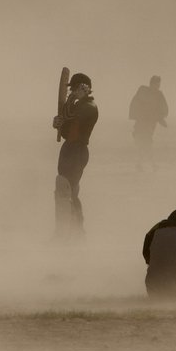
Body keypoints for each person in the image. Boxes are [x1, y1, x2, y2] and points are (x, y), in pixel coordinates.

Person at [52, 72, 99, 241]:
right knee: (65, 190)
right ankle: (72, 231)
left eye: (74, 88)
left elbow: (70, 116)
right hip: (69, 149)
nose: (71, 91)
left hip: (78, 151)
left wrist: (68, 106)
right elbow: (67, 129)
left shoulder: (89, 107)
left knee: (68, 191)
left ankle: (73, 231)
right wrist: (58, 124)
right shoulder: (79, 105)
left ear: (84, 88)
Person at [128, 75, 168, 169]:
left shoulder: (158, 94)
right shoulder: (143, 91)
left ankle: (144, 163)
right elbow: (136, 103)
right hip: (141, 122)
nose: (158, 86)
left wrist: (160, 118)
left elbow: (162, 108)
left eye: (159, 84)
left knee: (146, 142)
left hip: (150, 123)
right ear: (152, 83)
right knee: (143, 142)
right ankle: (147, 163)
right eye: (156, 84)